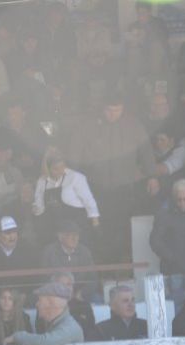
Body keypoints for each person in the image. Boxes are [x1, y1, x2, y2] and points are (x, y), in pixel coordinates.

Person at [68, 92, 154, 263]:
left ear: (123, 109)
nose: (113, 114)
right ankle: (102, 264)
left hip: (125, 188)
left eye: (117, 110)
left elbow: (146, 152)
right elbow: (74, 155)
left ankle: (121, 263)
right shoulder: (87, 125)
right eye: (109, 110)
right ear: (102, 108)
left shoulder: (133, 125)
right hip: (96, 187)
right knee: (98, 227)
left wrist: (152, 176)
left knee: (122, 227)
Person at [149, 179, 185, 306]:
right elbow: (155, 241)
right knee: (176, 309)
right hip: (173, 271)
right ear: (174, 197)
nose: (182, 203)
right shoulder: (164, 213)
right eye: (179, 199)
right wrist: (174, 258)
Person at [32, 147, 100, 243]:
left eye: (62, 167)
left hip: (76, 228)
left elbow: (88, 200)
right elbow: (39, 208)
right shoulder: (42, 182)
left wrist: (95, 224)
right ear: (48, 168)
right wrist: (36, 210)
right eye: (56, 169)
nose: (60, 171)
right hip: (55, 231)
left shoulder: (75, 177)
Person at [41, 220, 99, 302]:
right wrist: (61, 292)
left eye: (77, 235)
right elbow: (44, 278)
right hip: (57, 295)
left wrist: (81, 293)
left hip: (81, 294)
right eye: (70, 235)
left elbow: (93, 279)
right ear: (60, 237)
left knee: (98, 301)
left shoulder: (85, 251)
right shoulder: (50, 251)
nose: (74, 238)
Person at [0, 216, 38, 294]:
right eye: (7, 233)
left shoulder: (28, 249)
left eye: (14, 232)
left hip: (22, 296)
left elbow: (33, 280)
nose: (12, 236)